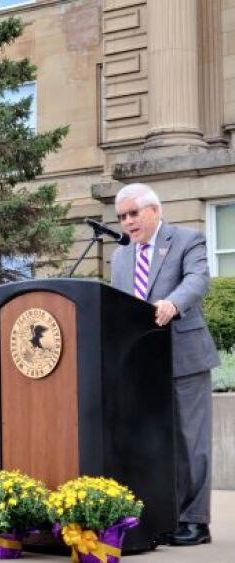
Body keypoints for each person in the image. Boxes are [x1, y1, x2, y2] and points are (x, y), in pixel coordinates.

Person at [110, 183, 219, 547]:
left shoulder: (188, 239)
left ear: (154, 210)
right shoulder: (121, 256)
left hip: (184, 357)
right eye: (122, 216)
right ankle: (163, 516)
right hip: (143, 364)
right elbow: (119, 303)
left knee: (191, 443)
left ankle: (195, 522)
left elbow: (198, 280)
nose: (127, 222)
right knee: (155, 443)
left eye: (133, 214)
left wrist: (172, 303)